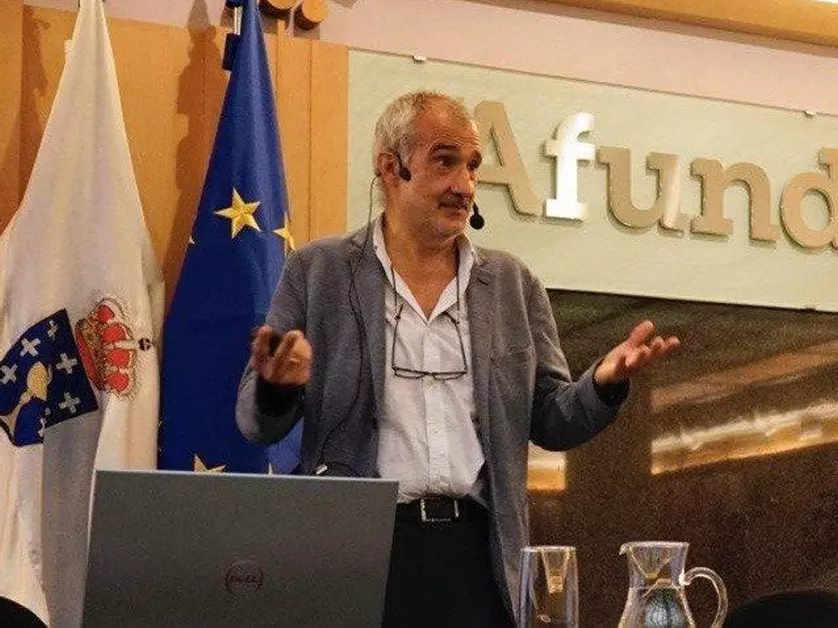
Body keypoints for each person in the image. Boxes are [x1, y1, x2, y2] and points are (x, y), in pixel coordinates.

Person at [235, 90, 678, 627]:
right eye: (445, 162)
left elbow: (552, 419)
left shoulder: (511, 283)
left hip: (480, 555)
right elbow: (255, 424)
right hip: (359, 553)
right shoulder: (319, 271)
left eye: (472, 166)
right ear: (390, 168)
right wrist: (278, 387)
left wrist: (603, 383)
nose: (464, 186)